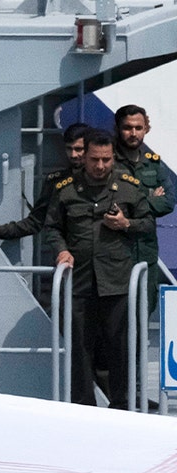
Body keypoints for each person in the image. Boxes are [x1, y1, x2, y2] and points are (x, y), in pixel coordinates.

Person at [42, 129, 156, 408]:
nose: (101, 166)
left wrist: (126, 224)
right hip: (79, 282)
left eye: (106, 160)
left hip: (116, 282)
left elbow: (148, 223)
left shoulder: (129, 187)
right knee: (80, 349)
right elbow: (52, 227)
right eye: (95, 159)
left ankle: (121, 406)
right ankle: (84, 405)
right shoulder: (66, 189)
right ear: (85, 156)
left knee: (120, 348)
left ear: (113, 158)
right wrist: (62, 250)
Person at [113, 104, 176, 313]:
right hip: (116, 255)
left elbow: (169, 200)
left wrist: (133, 204)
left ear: (146, 129)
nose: (133, 133)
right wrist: (149, 198)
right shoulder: (108, 163)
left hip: (146, 254)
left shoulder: (154, 165)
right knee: (116, 317)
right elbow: (109, 205)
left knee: (144, 311)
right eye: (127, 128)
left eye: (138, 128)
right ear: (118, 129)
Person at [0, 122, 89, 239]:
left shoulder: (108, 181)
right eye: (69, 149)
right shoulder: (57, 182)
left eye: (78, 149)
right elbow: (35, 222)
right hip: (69, 253)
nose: (73, 155)